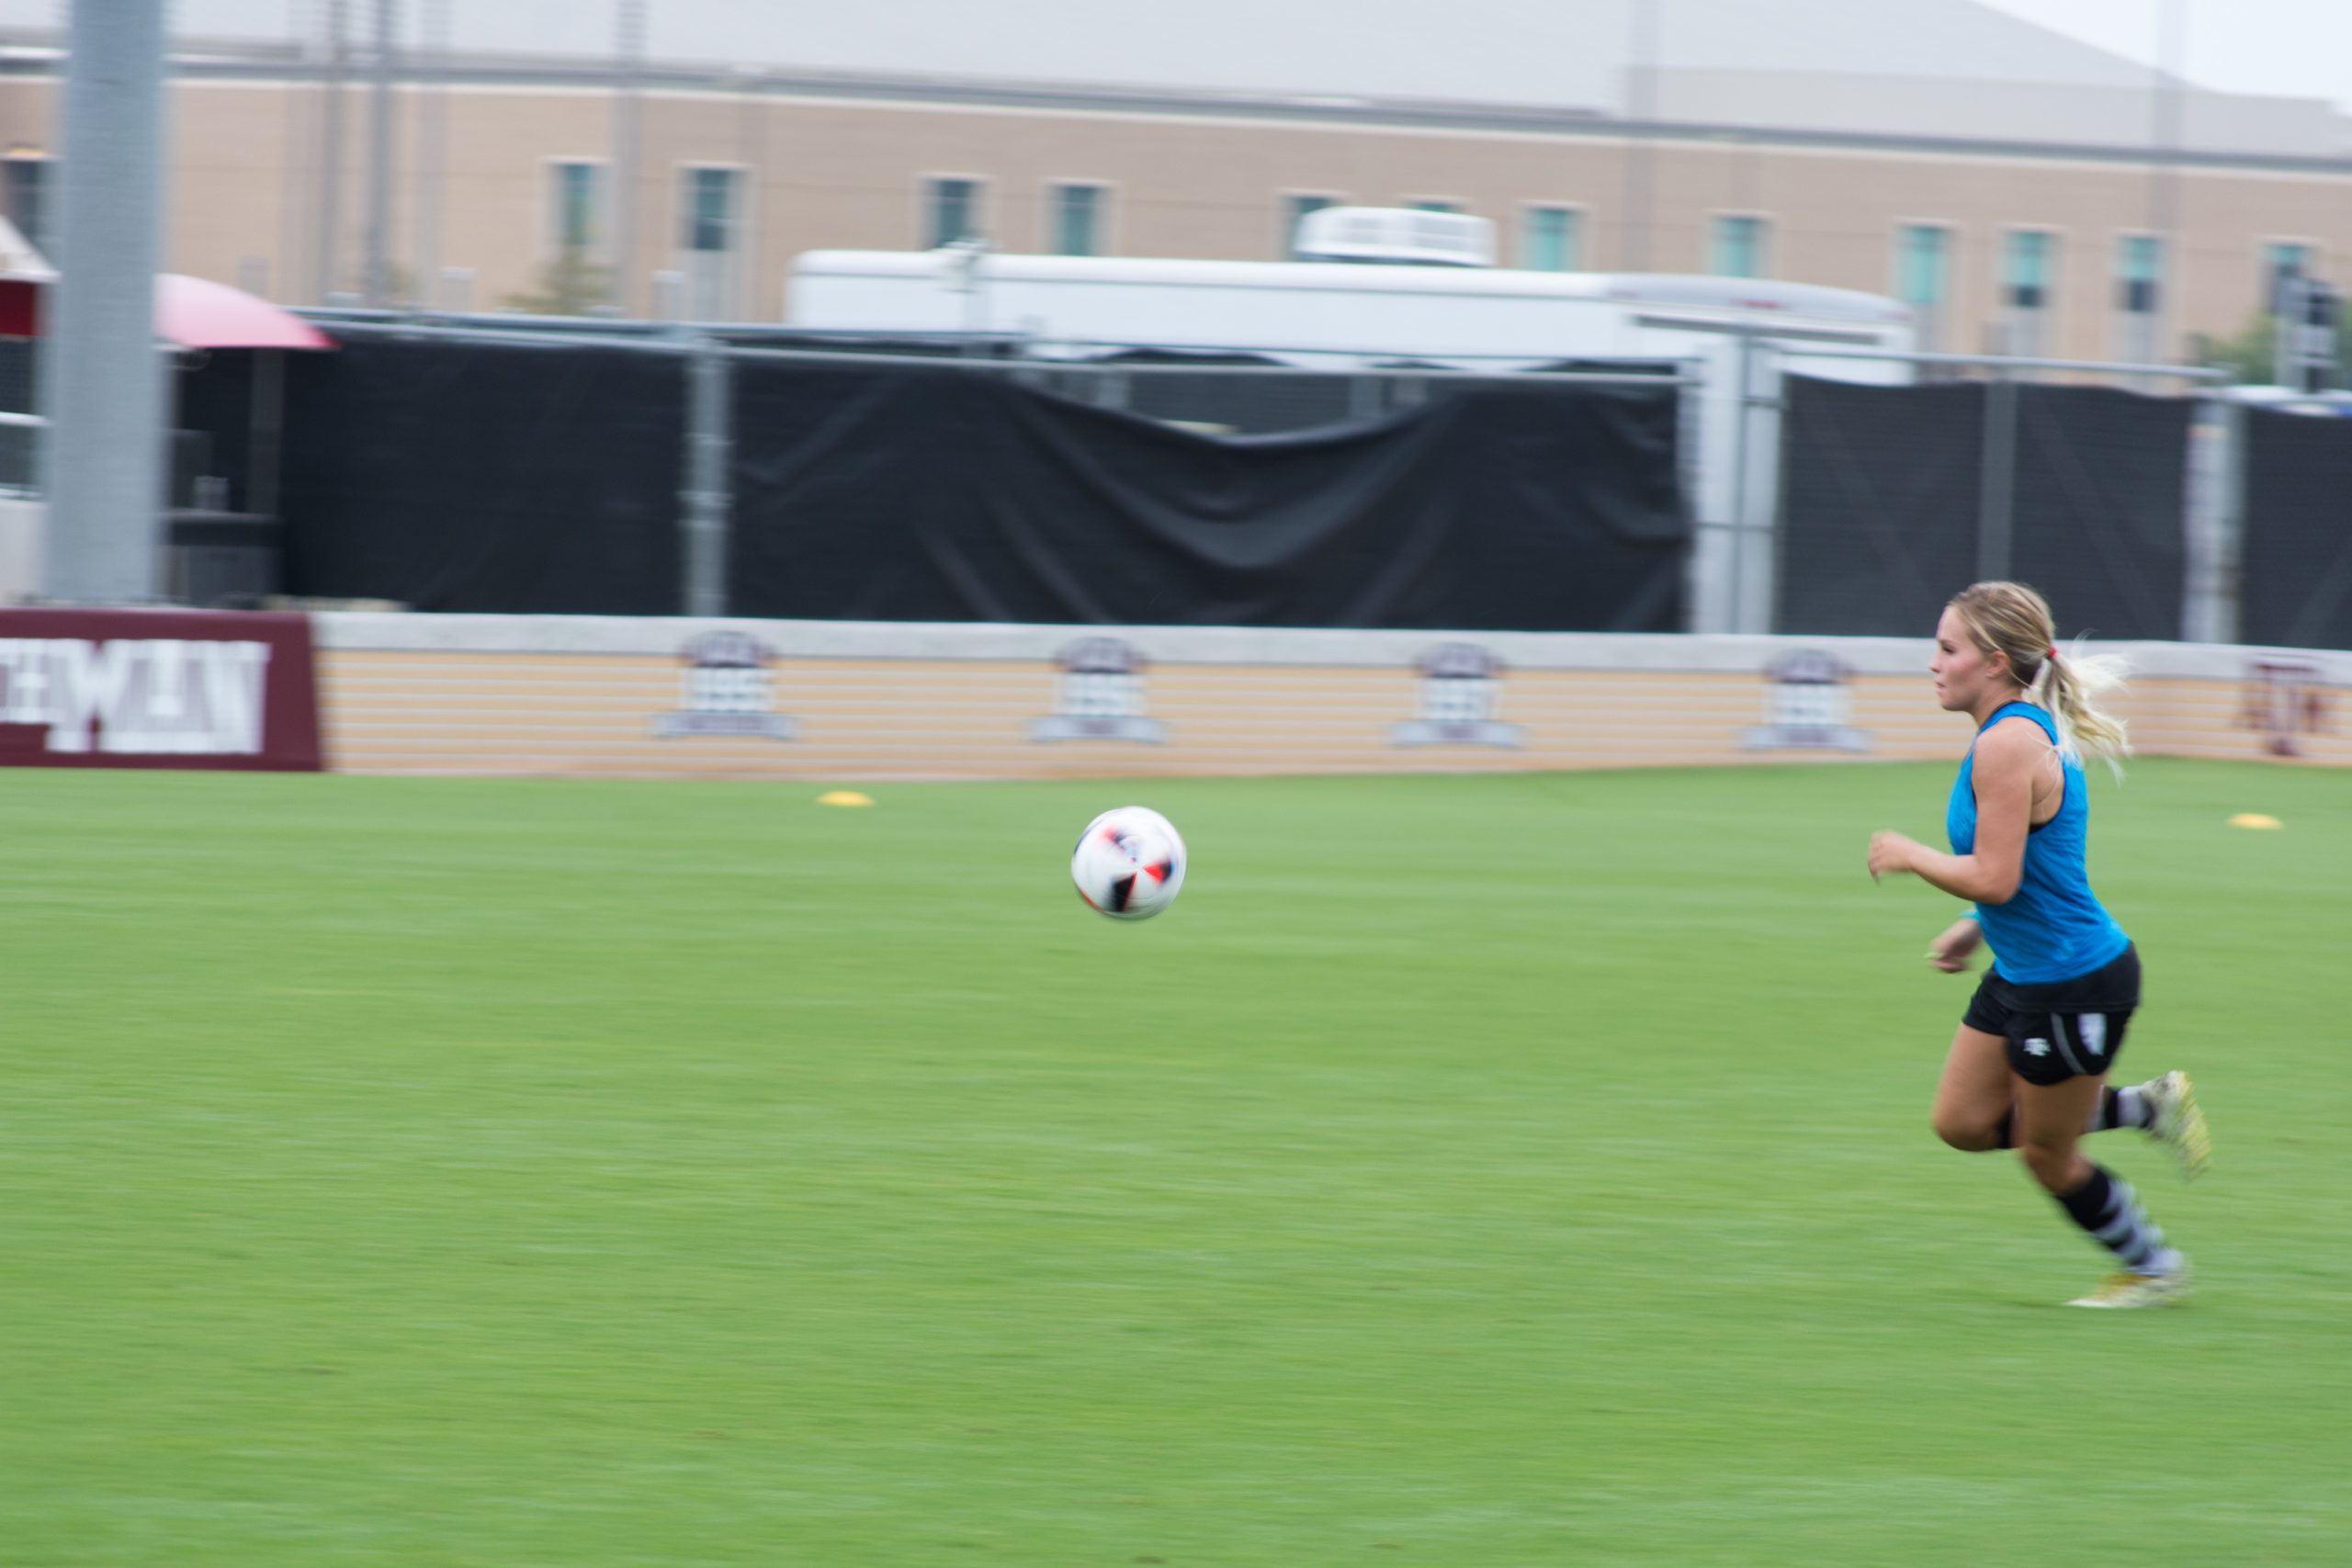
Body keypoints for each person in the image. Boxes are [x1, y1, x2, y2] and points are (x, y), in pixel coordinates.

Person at [1867, 581, 2211, 1309]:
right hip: (2025, 969)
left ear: (1993, 662)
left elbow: (1995, 875)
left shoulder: (2008, 743)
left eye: (1947, 648)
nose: (1933, 663)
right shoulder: (2021, 729)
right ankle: (2145, 1108)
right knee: (1961, 1123)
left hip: (2074, 983)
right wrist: (1974, 928)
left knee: (2048, 1154)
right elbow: (2036, 868)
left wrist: (1909, 853)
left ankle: (2153, 1268)